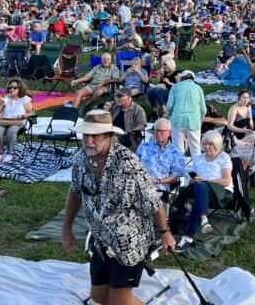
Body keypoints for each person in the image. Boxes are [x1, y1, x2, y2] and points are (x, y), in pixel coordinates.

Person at [61, 110, 175, 305]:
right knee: (98, 296)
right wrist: (66, 227)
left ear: (109, 137)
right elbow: (75, 192)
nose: (89, 141)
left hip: (129, 241)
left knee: (119, 302)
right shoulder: (81, 159)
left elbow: (153, 201)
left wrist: (165, 232)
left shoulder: (128, 163)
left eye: (94, 136)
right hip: (101, 239)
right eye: (85, 135)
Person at [172, 131, 233, 252]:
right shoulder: (198, 158)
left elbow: (226, 181)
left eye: (211, 144)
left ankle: (189, 236)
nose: (207, 147)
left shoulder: (224, 158)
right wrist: (193, 181)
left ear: (218, 144)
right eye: (205, 144)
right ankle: (203, 219)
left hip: (220, 193)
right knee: (197, 186)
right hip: (200, 191)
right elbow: (190, 182)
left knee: (202, 186)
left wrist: (207, 181)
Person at [137, 118, 187, 198]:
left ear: (169, 133)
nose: (159, 133)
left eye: (162, 131)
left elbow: (177, 177)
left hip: (159, 188)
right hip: (139, 184)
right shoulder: (144, 147)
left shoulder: (176, 152)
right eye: (156, 130)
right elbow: (134, 166)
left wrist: (157, 181)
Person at [0, 78, 34, 163]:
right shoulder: (5, 98)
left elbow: (31, 113)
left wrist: (21, 116)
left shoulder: (24, 99)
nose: (11, 89)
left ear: (20, 88)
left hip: (18, 121)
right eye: (10, 87)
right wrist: (2, 101)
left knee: (11, 131)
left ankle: (10, 153)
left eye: (14, 87)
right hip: (4, 120)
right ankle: (1, 152)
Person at [167, 70, 205, 156]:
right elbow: (203, 109)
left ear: (181, 78)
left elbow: (169, 106)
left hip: (177, 120)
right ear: (193, 79)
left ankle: (179, 168)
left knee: (178, 149)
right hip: (194, 120)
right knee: (195, 148)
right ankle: (198, 168)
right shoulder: (198, 88)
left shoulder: (175, 87)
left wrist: (170, 115)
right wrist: (200, 119)